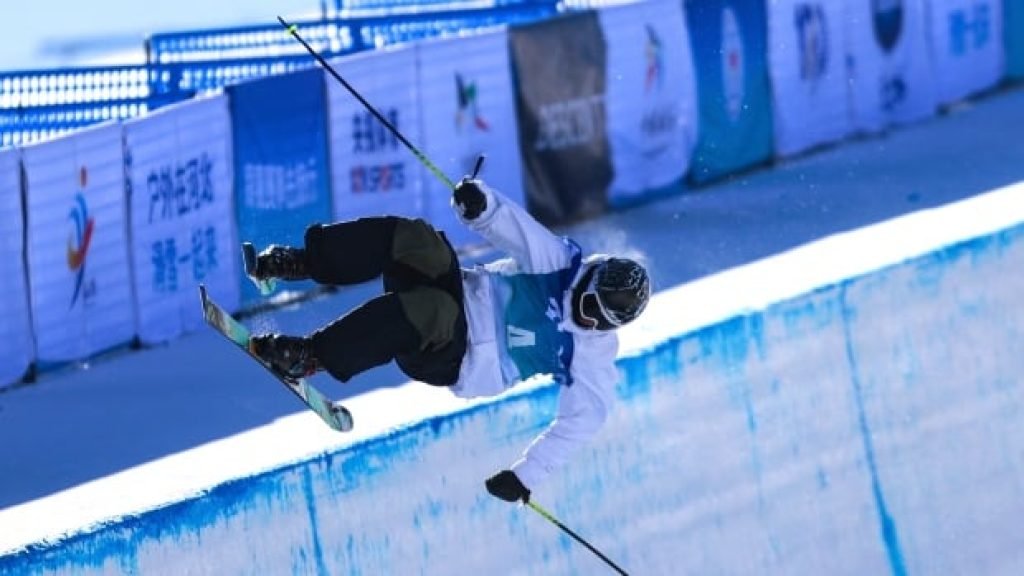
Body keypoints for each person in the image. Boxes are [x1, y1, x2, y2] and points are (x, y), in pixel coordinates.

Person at [247, 176, 651, 504]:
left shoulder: (590, 355)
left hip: (459, 359)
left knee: (433, 312)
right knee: (419, 239)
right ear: (592, 279)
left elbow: (583, 421)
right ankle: (302, 261)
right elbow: (514, 228)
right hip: (460, 293)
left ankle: (309, 356)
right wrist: (480, 205)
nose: (585, 313)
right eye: (588, 299)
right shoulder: (562, 267)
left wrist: (525, 476)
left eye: (598, 317)